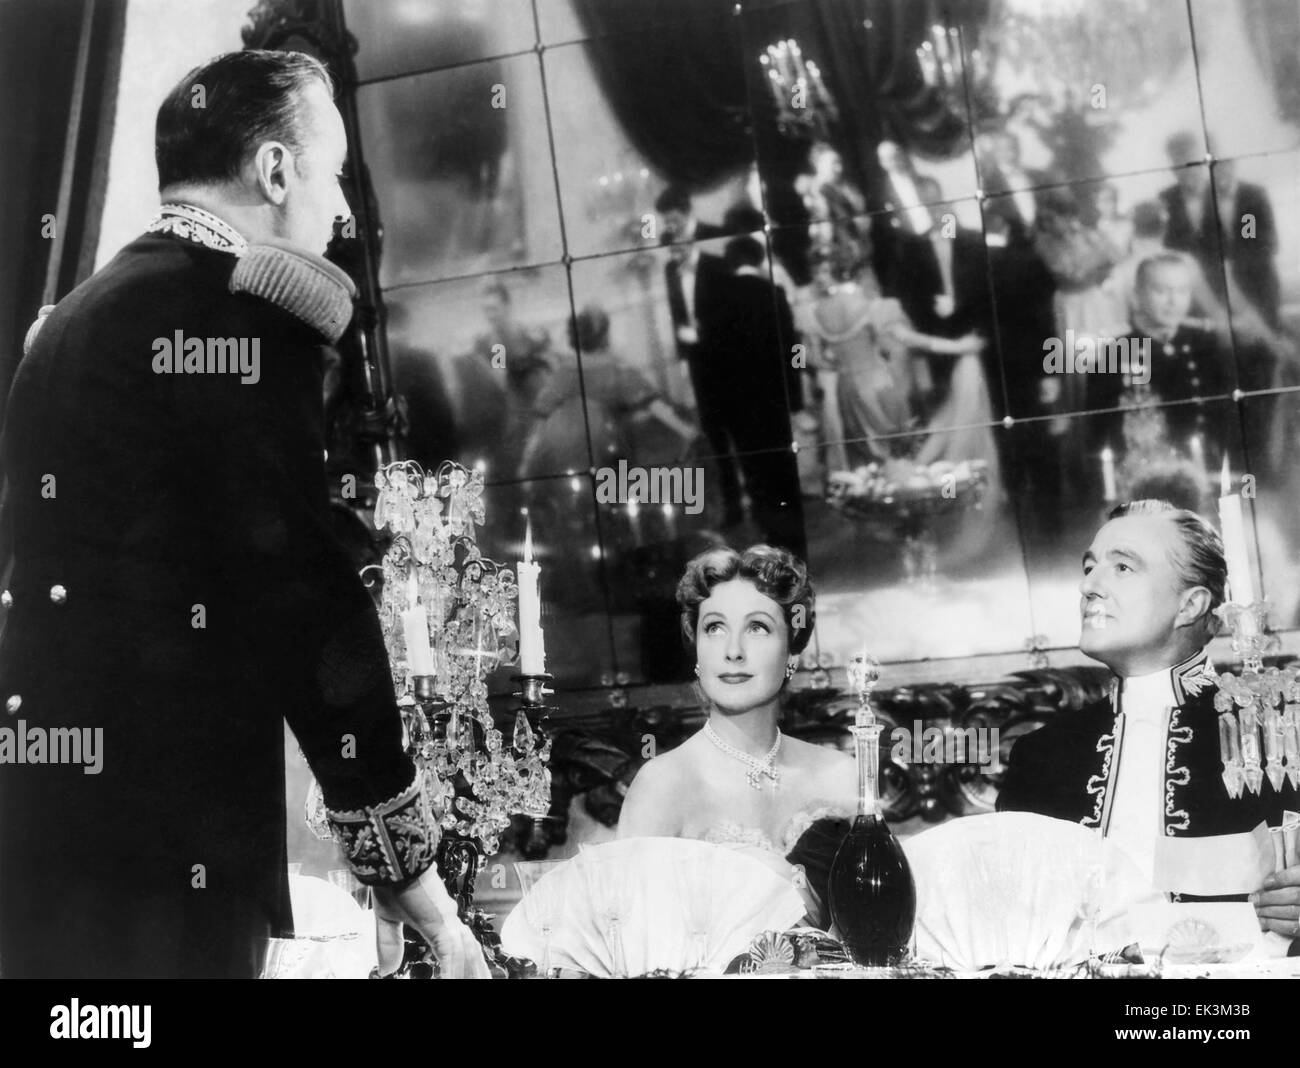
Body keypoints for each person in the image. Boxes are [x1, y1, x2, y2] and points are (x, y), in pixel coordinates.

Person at [0, 50, 487, 978]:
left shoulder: (74, 318)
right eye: (333, 170)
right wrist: (416, 883)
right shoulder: (235, 322)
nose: (343, 209)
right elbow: (301, 598)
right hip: (167, 849)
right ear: (273, 170)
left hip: (41, 830)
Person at [998, 501, 1299, 935]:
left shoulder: (1277, 727)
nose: (1090, 587)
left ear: (1190, 604)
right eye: (1089, 567)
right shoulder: (1039, 755)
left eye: (1122, 568)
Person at [618, 545, 856, 928]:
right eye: (714, 628)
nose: (733, 651)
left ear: (792, 650)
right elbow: (631, 947)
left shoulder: (844, 777)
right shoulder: (662, 785)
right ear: (695, 646)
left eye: (757, 627)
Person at [706, 237, 807, 555]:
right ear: (759, 259)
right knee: (781, 466)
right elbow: (795, 348)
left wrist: (718, 407)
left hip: (737, 402)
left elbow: (714, 357)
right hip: (774, 397)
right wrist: (796, 392)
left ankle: (770, 533)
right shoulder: (774, 294)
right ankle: (793, 536)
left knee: (754, 469)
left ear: (731, 263)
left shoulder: (717, 298)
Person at [658, 186, 739, 525]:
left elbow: (735, 299)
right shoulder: (669, 264)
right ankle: (733, 504)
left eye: (673, 218)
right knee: (715, 433)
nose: (670, 226)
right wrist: (683, 359)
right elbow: (678, 313)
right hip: (699, 361)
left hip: (729, 354)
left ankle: (758, 492)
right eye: (666, 221)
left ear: (685, 209)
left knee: (742, 428)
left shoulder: (716, 239)